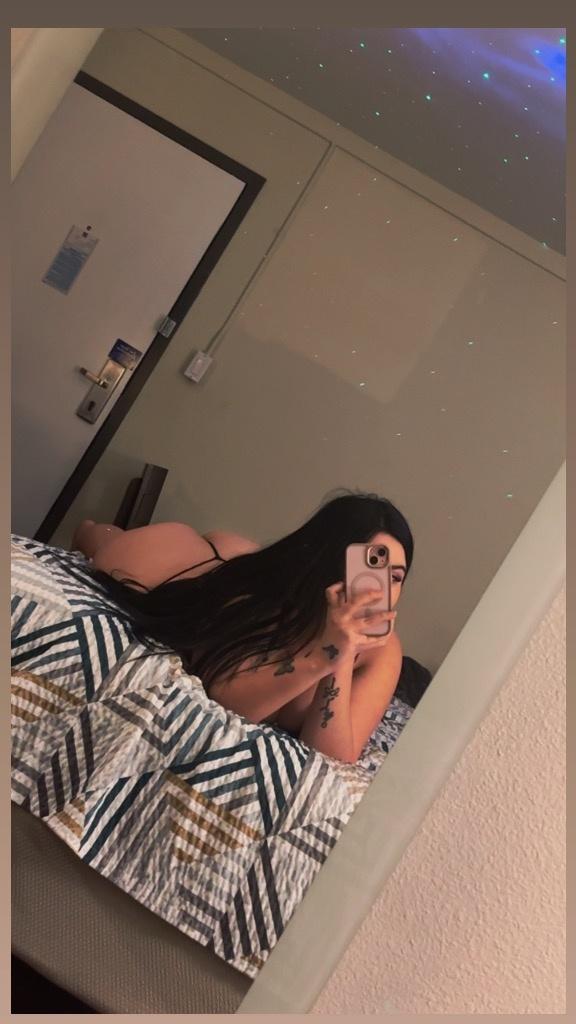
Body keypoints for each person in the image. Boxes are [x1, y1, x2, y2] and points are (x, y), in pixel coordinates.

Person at [73, 491, 414, 763]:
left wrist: (342, 652)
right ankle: (92, 529)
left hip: (247, 567)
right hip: (200, 564)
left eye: (396, 577)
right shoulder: (271, 601)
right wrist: (324, 655)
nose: (379, 586)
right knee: (106, 547)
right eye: (369, 567)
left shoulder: (381, 650)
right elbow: (227, 699)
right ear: (328, 560)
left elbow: (334, 757)